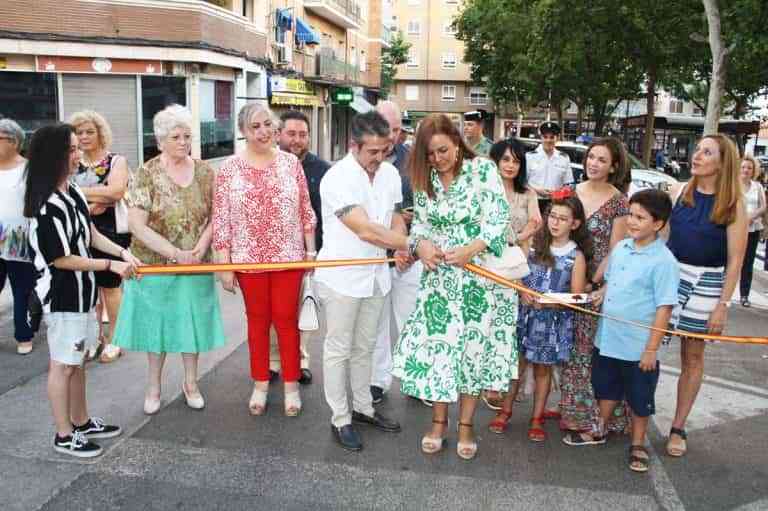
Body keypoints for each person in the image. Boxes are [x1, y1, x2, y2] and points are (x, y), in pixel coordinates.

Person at [391, 114, 514, 460]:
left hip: (477, 276)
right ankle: (439, 423)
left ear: (457, 143)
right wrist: (419, 247)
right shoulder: (424, 179)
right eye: (430, 154)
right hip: (440, 281)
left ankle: (466, 426)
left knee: (471, 352)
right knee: (440, 351)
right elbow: (420, 228)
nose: (437, 159)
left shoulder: (483, 171)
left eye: (443, 150)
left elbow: (497, 219)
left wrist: (471, 249)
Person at [25, 124, 139, 457]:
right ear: (53, 156)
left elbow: (88, 234)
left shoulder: (72, 191)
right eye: (71, 150)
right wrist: (108, 266)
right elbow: (61, 259)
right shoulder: (46, 205)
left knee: (77, 362)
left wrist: (120, 252)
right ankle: (64, 434)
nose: (78, 155)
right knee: (62, 364)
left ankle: (81, 420)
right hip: (62, 297)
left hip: (83, 295)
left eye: (77, 148)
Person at [113, 105, 226, 415]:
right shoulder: (146, 173)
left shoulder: (205, 172)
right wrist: (175, 255)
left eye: (187, 135)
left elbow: (217, 216)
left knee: (192, 325)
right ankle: (153, 386)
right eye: (176, 136)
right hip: (157, 264)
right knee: (158, 327)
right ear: (161, 140)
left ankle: (191, 383)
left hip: (196, 263)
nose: (183, 141)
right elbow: (137, 225)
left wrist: (201, 248)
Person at [213, 103, 316, 417]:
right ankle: (259, 382)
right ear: (244, 131)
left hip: (289, 257)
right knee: (257, 322)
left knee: (286, 321)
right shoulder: (228, 168)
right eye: (256, 127)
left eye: (268, 125)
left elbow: (305, 209)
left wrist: (310, 252)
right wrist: (225, 265)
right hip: (247, 259)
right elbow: (221, 219)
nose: (264, 132)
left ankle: (291, 385)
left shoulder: (290, 163)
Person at [313, 111, 408, 451]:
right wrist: (410, 245)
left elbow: (396, 216)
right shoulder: (336, 179)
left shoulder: (390, 173)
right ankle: (340, 418)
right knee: (338, 349)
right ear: (354, 145)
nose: (380, 158)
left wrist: (401, 241)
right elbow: (366, 229)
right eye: (373, 152)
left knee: (366, 346)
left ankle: (363, 407)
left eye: (385, 150)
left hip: (375, 277)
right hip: (342, 278)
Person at [665, 134, 747, 457]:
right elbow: (662, 237)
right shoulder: (678, 191)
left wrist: (722, 305)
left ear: (722, 162)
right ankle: (635, 413)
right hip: (670, 276)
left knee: (692, 357)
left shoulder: (732, 204)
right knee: (649, 346)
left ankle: (677, 427)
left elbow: (736, 259)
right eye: (697, 150)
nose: (697, 156)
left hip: (707, 284)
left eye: (707, 152)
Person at [590, 189, 679, 472]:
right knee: (605, 387)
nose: (632, 221)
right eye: (630, 214)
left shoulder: (664, 261)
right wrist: (601, 292)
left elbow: (664, 308)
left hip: (638, 346)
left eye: (640, 217)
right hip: (608, 338)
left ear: (659, 223)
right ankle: (599, 428)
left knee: (640, 398)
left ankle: (638, 443)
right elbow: (612, 281)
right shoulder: (621, 248)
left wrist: (651, 348)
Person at [489, 192, 587, 439]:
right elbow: (519, 273)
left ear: (574, 224)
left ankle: (537, 418)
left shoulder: (576, 256)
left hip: (552, 323)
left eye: (562, 218)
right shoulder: (534, 245)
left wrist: (552, 302)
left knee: (543, 371)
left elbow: (576, 297)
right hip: (526, 317)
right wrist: (523, 293)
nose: (555, 222)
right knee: (517, 366)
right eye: (552, 216)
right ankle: (506, 410)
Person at [562, 137, 631, 445]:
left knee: (589, 352)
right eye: (591, 157)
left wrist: (597, 284)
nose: (594, 163)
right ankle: (573, 413)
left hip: (597, 287)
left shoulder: (619, 201)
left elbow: (616, 249)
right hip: (566, 280)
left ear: (613, 166)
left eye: (602, 160)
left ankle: (599, 420)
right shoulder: (573, 191)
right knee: (568, 348)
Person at [481, 137, 542, 411]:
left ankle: (497, 383)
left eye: (516, 160)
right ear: (494, 161)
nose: (510, 165)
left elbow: (535, 222)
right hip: (484, 265)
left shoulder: (528, 193)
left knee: (506, 327)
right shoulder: (483, 190)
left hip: (514, 267)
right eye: (505, 159)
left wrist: (517, 239)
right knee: (484, 323)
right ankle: (479, 379)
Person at [271, 109, 331, 385]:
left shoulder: (323, 170)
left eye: (303, 135)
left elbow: (325, 215)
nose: (297, 140)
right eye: (291, 133)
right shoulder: (267, 165)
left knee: (305, 308)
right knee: (273, 312)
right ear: (279, 134)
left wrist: (319, 252)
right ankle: (272, 362)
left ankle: (300, 359)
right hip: (272, 254)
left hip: (309, 254)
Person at [69, 111, 131, 363]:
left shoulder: (116, 161)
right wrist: (97, 195)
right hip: (78, 231)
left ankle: (116, 339)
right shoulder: (70, 161)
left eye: (89, 131)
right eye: (79, 132)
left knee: (110, 288)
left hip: (110, 231)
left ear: (100, 133)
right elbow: (62, 191)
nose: (84, 137)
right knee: (88, 291)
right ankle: (95, 339)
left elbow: (116, 192)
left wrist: (80, 193)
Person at [370, 100, 418, 405]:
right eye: (389, 129)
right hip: (373, 257)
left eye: (399, 129)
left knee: (410, 320)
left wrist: (405, 238)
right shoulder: (361, 160)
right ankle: (378, 380)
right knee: (376, 324)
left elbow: (418, 208)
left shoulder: (413, 160)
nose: (394, 136)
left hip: (409, 257)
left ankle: (414, 379)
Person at [0, 118, 36, 355]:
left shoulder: (29, 169)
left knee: (21, 288)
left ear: (14, 141)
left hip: (19, 237)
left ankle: (23, 334)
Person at [526, 122, 573, 212]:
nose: (548, 140)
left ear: (557, 138)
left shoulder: (564, 158)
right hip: (533, 201)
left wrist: (559, 193)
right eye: (545, 137)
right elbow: (523, 182)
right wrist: (536, 190)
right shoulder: (529, 157)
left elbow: (568, 184)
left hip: (556, 203)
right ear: (541, 138)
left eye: (552, 137)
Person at [738, 155, 765, 307]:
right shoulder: (733, 185)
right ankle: (722, 293)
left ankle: (744, 295)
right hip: (735, 229)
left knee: (748, 263)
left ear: (753, 170)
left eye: (749, 168)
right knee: (730, 261)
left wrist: (751, 216)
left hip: (752, 229)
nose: (746, 170)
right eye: (743, 167)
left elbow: (763, 206)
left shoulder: (757, 186)